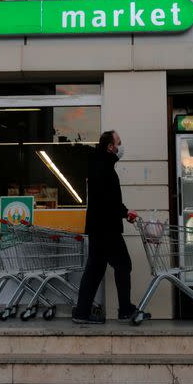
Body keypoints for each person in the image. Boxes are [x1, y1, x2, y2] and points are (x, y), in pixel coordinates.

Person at [72, 130, 139, 324]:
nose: (121, 146)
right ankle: (125, 309)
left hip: (98, 226)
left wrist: (124, 212)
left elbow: (107, 198)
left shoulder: (99, 164)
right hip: (106, 227)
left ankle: (82, 312)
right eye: (119, 142)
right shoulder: (104, 167)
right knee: (123, 264)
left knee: (94, 269)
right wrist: (124, 213)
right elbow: (108, 200)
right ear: (110, 147)